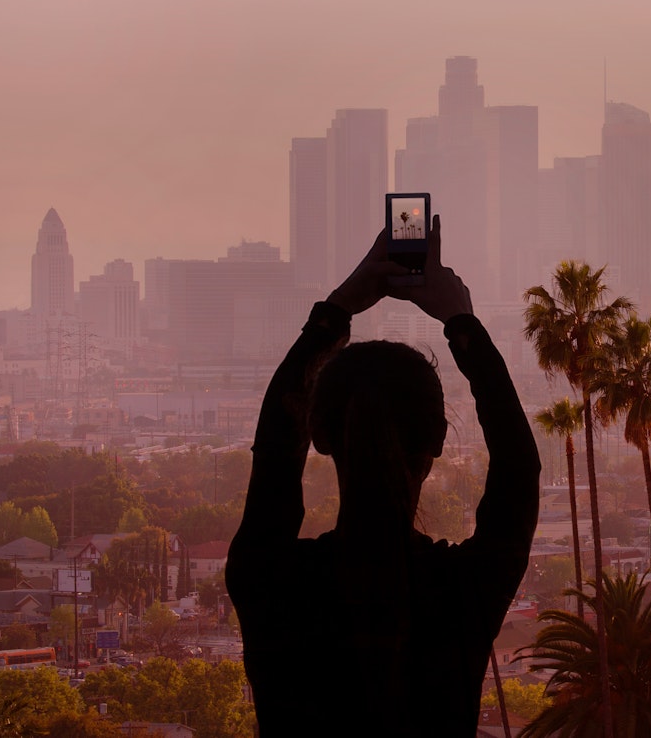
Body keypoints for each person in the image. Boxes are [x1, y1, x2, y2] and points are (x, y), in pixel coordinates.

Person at [226, 217, 540, 736]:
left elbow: (275, 453)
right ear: (439, 439)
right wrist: (459, 319)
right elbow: (519, 468)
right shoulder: (462, 590)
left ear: (321, 436)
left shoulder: (270, 580)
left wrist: (337, 310)